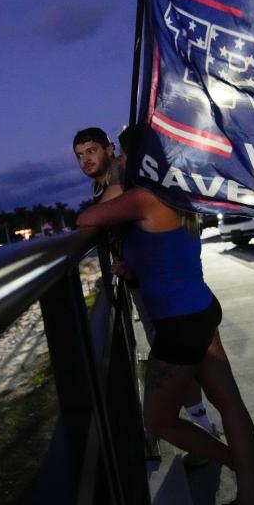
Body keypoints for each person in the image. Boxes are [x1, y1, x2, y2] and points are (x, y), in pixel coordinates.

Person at [76, 126, 254, 505]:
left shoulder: (143, 197)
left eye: (125, 157)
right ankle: (249, 499)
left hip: (179, 325)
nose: (121, 164)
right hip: (200, 308)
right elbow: (162, 253)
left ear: (139, 158)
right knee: (229, 402)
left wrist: (116, 196)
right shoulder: (177, 195)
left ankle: (239, 463)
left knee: (158, 421)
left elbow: (87, 218)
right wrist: (130, 267)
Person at [73, 127, 216, 438]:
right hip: (155, 283)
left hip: (161, 288)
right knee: (198, 366)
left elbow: (94, 219)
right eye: (80, 155)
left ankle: (199, 426)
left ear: (111, 150)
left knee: (176, 359)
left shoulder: (122, 184)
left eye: (92, 151)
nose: (85, 160)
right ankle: (210, 431)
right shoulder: (106, 188)